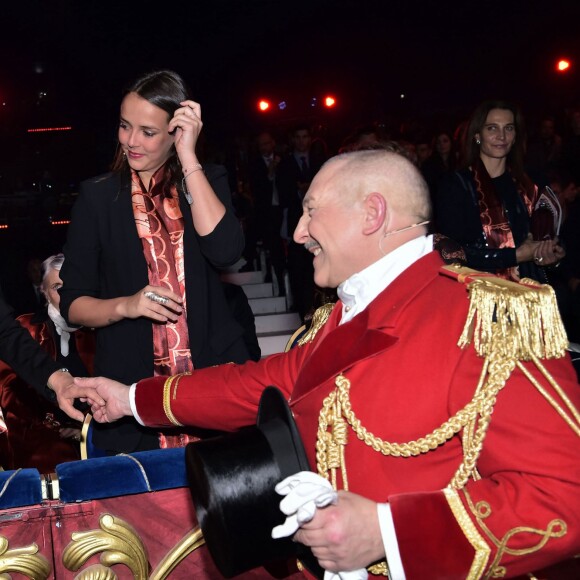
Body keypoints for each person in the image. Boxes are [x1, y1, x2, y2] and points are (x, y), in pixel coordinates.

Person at [80, 149, 580, 579]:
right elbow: (254, 385)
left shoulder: (491, 318)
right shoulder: (335, 321)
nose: (298, 233)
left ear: (371, 214)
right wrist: (129, 398)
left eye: (311, 212)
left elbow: (564, 497)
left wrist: (387, 531)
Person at [59, 70, 253, 454]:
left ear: (176, 131)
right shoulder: (98, 198)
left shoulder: (205, 180)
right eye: (124, 126)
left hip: (213, 383)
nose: (131, 141)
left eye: (147, 132)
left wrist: (188, 159)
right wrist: (127, 305)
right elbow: (74, 305)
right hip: (129, 394)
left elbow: (226, 251)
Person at [435, 100, 565, 282]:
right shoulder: (457, 185)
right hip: (480, 296)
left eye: (509, 128)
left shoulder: (531, 184)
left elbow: (550, 238)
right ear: (478, 135)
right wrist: (516, 256)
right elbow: (451, 251)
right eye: (492, 128)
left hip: (531, 295)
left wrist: (552, 257)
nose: (502, 136)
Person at [0, 254, 95, 471]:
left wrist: (86, 429)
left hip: (97, 438)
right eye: (56, 287)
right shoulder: (28, 330)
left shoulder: (103, 331)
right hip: (45, 442)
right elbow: (13, 397)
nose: (65, 294)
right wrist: (62, 429)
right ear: (43, 291)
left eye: (70, 286)